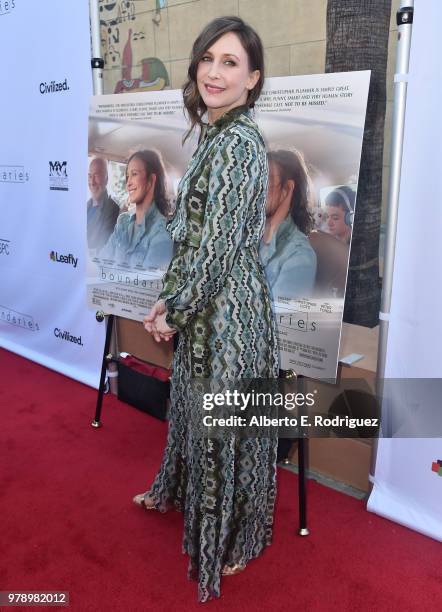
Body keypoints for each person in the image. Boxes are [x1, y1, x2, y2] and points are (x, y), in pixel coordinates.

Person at [133, 16, 279, 602]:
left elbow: (218, 251)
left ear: (253, 78)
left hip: (230, 320)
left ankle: (236, 542)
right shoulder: (214, 136)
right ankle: (173, 489)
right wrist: (169, 297)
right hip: (205, 309)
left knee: (227, 434)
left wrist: (176, 309)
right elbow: (193, 239)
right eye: (208, 59)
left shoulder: (241, 143)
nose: (214, 72)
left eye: (230, 63)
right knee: (195, 419)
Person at [99, 150, 173, 269]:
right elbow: (101, 262)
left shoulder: (161, 235)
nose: (128, 183)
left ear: (151, 180)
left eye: (134, 174)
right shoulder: (122, 221)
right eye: (127, 176)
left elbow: (146, 285)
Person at [260, 149, 317, 301]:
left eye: (266, 180)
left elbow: (279, 322)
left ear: (287, 189)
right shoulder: (247, 236)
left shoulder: (299, 256)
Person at [87, 157, 120, 249]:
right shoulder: (85, 206)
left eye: (96, 175)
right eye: (90, 176)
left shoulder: (112, 209)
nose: (92, 182)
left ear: (106, 180)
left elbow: (101, 246)